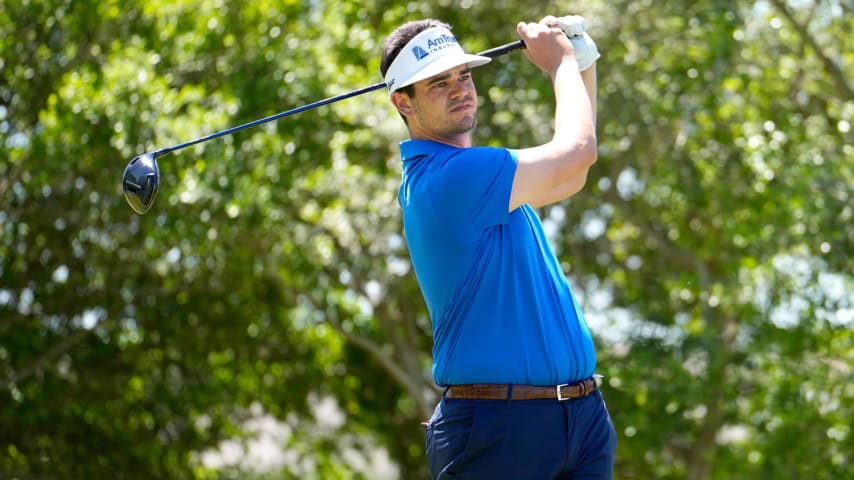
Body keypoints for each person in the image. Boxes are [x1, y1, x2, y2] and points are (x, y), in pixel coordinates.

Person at [380, 14, 616, 479]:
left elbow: (574, 171)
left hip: (580, 417)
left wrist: (582, 63)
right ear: (401, 103)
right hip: (500, 430)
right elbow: (578, 149)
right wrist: (561, 64)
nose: (460, 89)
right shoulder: (449, 179)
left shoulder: (484, 179)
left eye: (464, 74)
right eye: (438, 83)